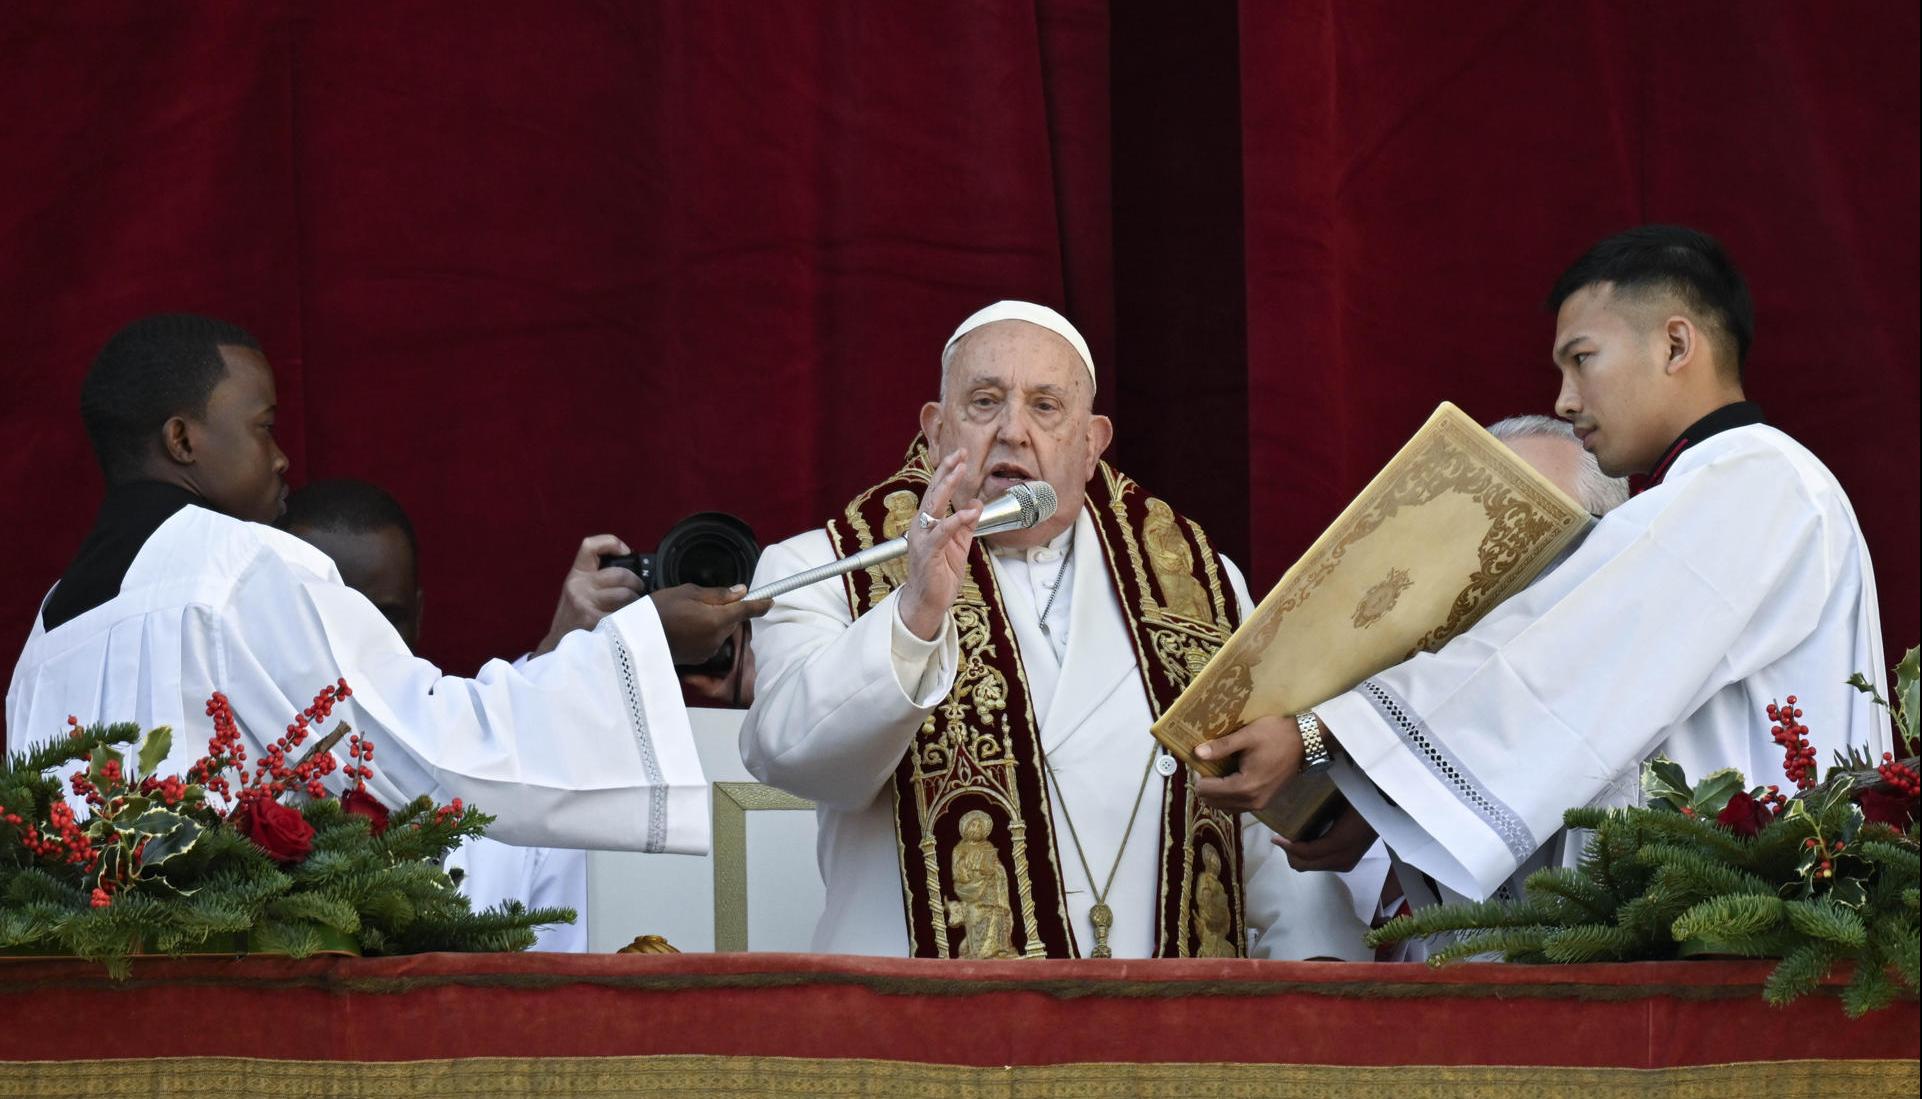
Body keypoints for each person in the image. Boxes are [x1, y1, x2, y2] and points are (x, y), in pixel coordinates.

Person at [1196, 226, 1888, 905]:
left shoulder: (1758, 480)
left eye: (1582, 358)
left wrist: (1323, 734)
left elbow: (1550, 661)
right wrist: (1384, 799)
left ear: (1676, 343)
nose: (1564, 400)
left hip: (1731, 943)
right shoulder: (1723, 489)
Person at [741, 300, 1367, 959]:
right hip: (930, 1039)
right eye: (985, 401)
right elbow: (793, 755)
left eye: (1046, 406)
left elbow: (1254, 821)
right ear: (935, 430)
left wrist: (1320, 971)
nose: (1013, 429)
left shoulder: (1205, 584)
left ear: (1093, 443)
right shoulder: (821, 567)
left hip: (1162, 1040)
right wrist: (913, 616)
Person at [7, 314, 767, 856]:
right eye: (265, 425)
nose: (281, 460)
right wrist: (640, 641)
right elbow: (425, 756)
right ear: (182, 439)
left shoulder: (50, 625)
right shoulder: (241, 565)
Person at [281, 479, 619, 951]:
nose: (362, 645)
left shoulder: (523, 775)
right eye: (334, 618)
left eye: (386, 618)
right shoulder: (229, 766)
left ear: (418, 614)